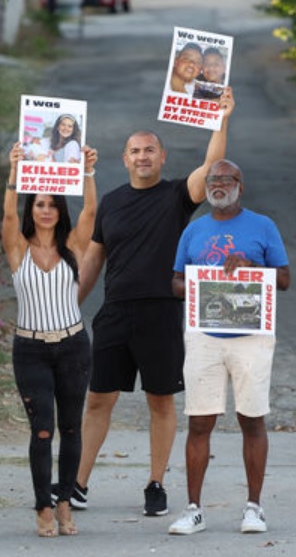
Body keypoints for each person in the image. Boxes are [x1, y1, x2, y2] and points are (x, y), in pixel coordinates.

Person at [71, 87, 236, 517]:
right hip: (114, 314)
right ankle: (78, 483)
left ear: (162, 157)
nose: (141, 157)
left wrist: (221, 118)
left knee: (160, 402)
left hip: (161, 312)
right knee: (97, 399)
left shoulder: (178, 196)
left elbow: (211, 165)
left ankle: (156, 483)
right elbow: (92, 262)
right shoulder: (111, 202)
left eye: (149, 150)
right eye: (134, 151)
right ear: (124, 159)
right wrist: (69, 307)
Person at [166, 159, 290, 536]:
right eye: (212, 179)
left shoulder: (263, 226)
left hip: (252, 335)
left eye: (226, 179)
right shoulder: (193, 230)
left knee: (252, 419)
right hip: (204, 335)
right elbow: (175, 282)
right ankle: (193, 510)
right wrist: (198, 287)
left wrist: (252, 266)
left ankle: (254, 507)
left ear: (240, 185)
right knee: (199, 421)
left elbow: (284, 279)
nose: (218, 184)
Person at [2, 141, 98, 538]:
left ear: (60, 210)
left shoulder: (73, 246)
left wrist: (88, 172)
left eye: (52, 204)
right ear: (32, 208)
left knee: (72, 428)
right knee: (42, 429)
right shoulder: (17, 248)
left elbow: (92, 211)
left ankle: (63, 503)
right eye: (39, 204)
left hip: (73, 346)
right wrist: (14, 171)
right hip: (31, 350)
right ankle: (43, 506)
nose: (45, 210)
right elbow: (8, 214)